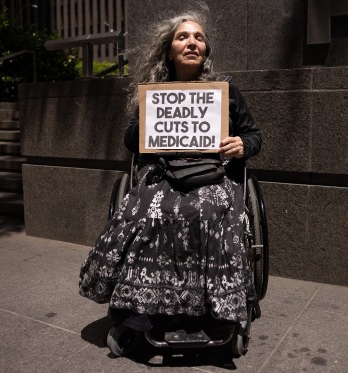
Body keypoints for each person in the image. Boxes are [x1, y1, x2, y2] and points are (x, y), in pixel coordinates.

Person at [79, 9, 262, 328]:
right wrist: (152, 116)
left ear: (205, 51)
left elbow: (254, 135)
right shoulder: (154, 93)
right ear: (169, 50)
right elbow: (129, 140)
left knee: (207, 211)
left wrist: (243, 145)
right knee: (152, 212)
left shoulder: (226, 91)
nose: (192, 42)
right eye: (183, 36)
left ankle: (216, 302)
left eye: (199, 37)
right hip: (163, 174)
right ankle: (141, 302)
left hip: (213, 175)